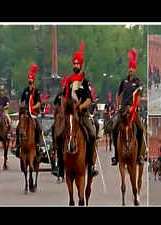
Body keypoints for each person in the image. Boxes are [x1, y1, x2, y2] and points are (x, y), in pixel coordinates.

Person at [63, 41, 98, 178]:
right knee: (59, 134)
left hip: (82, 115)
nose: (75, 66)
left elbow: (89, 100)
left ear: (81, 65)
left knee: (92, 134)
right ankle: (59, 164)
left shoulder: (84, 81)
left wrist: (80, 107)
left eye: (77, 64)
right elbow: (65, 98)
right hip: (71, 115)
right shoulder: (69, 81)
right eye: (74, 64)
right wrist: (64, 109)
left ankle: (90, 164)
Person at [111, 48, 145, 166]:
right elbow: (118, 94)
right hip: (123, 109)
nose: (131, 70)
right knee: (114, 128)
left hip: (133, 110)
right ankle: (116, 155)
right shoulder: (123, 81)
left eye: (133, 68)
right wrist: (118, 104)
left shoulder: (139, 82)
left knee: (140, 129)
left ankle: (139, 155)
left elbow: (139, 96)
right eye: (130, 68)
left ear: (135, 70)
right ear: (128, 69)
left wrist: (134, 107)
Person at [14, 64, 44, 157]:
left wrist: (33, 107)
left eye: (31, 79)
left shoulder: (36, 91)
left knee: (38, 127)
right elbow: (21, 100)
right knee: (19, 127)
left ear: (33, 80)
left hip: (33, 114)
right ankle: (18, 145)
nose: (29, 80)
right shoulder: (25, 90)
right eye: (28, 78)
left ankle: (38, 145)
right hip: (26, 113)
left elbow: (39, 103)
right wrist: (22, 106)